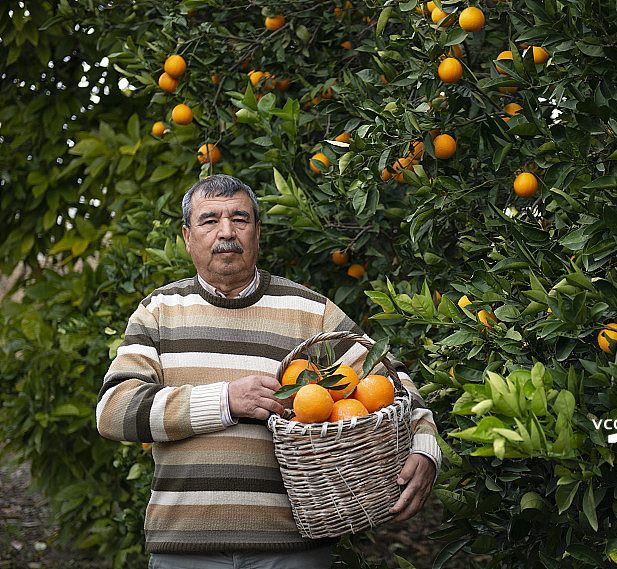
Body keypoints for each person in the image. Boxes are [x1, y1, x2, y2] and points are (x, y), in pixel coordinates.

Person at [96, 174, 441, 569]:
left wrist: (425, 446)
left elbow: (388, 380)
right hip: (185, 549)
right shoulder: (158, 312)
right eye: (210, 220)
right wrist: (224, 400)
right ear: (188, 236)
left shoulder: (309, 311)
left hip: (292, 547)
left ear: (257, 232)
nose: (226, 232)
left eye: (240, 219)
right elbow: (113, 411)